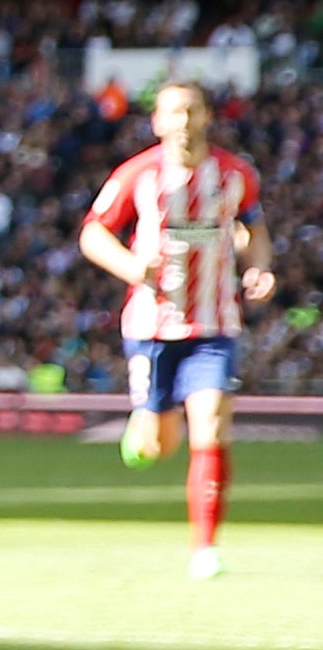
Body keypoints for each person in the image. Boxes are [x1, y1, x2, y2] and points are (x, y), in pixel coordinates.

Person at [79, 81, 276, 578]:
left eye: (192, 111)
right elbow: (93, 233)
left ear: (207, 115)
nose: (184, 121)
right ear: (157, 121)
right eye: (174, 113)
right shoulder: (138, 175)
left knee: (210, 420)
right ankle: (143, 428)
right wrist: (131, 267)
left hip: (214, 325)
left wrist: (261, 266)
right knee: (159, 444)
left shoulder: (235, 174)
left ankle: (204, 547)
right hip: (152, 325)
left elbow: (253, 229)